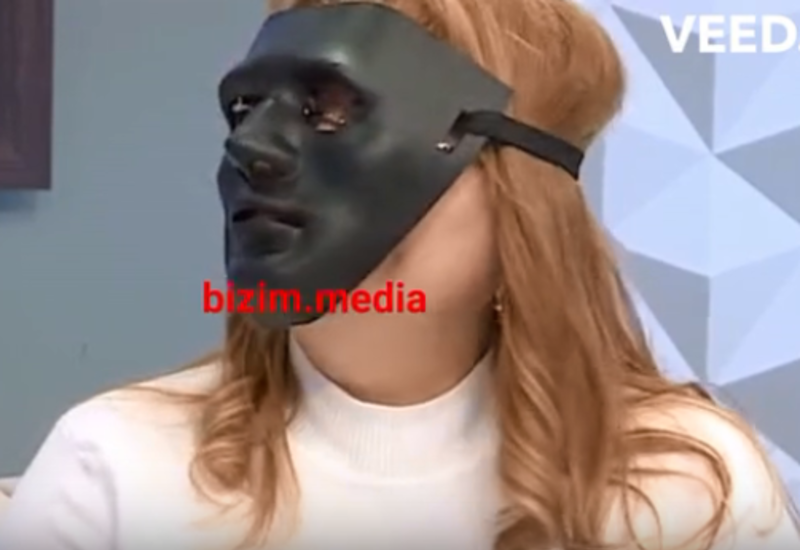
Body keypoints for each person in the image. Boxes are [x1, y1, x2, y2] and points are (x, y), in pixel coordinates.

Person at [1, 0, 798, 548]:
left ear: (520, 184)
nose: (250, 149)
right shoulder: (114, 468)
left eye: (331, 108)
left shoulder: (688, 489)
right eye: (246, 108)